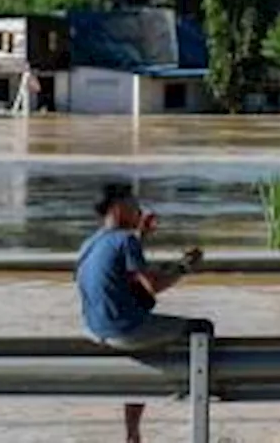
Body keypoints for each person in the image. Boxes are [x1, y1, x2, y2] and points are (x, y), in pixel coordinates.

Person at [75, 183, 203, 443]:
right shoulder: (125, 240)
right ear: (118, 207)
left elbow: (121, 274)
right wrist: (184, 268)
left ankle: (132, 435)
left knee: (145, 348)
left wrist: (141, 236)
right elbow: (152, 286)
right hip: (123, 330)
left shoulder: (89, 243)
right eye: (134, 204)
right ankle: (192, 391)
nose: (139, 209)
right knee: (201, 329)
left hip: (94, 329)